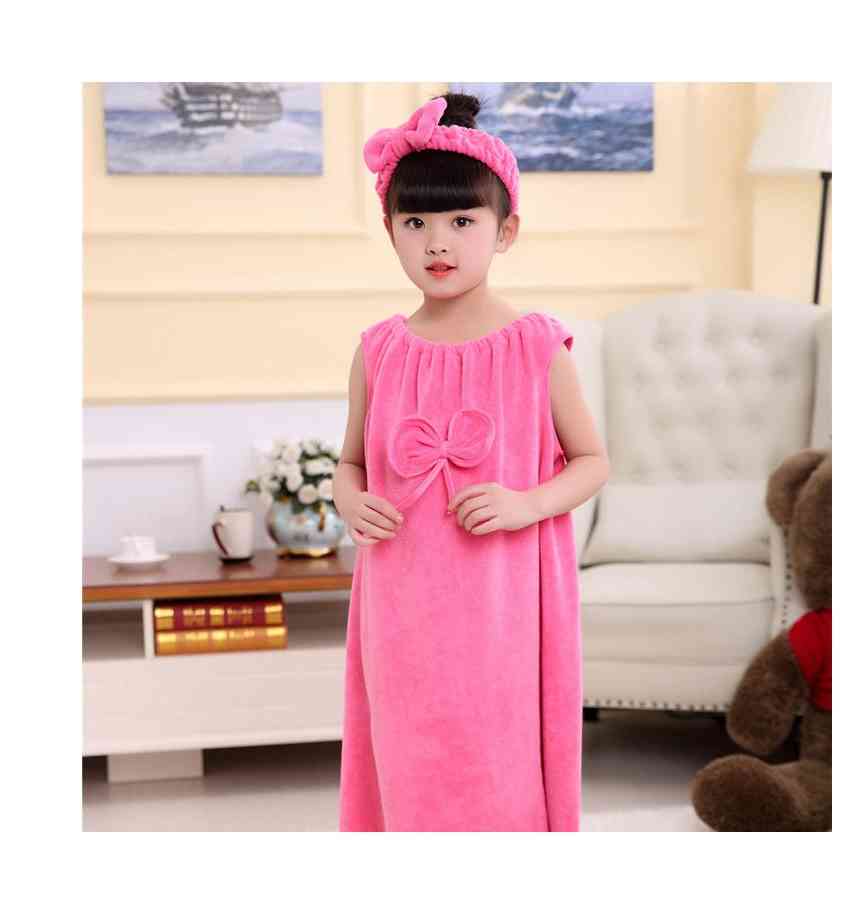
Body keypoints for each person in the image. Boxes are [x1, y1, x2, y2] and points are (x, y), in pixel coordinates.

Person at [333, 92, 610, 831]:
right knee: (408, 754)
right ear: (390, 231)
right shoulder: (379, 351)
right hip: (401, 605)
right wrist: (349, 498)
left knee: (496, 759)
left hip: (503, 607)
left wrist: (526, 503)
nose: (437, 243)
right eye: (415, 223)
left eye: (462, 221)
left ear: (505, 230)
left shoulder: (536, 346)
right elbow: (350, 463)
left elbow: (591, 461)